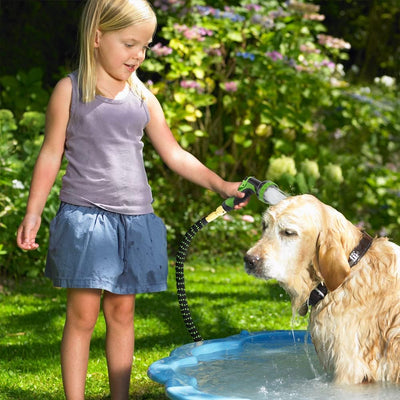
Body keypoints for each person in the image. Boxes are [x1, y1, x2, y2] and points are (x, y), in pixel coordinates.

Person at [16, 0, 247, 399]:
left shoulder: (142, 98)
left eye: (144, 46)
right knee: (82, 315)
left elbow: (174, 154)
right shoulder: (70, 91)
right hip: (87, 219)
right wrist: (33, 211)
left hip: (134, 221)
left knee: (122, 312)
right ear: (97, 37)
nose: (138, 55)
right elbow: (51, 153)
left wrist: (221, 185)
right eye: (129, 44)